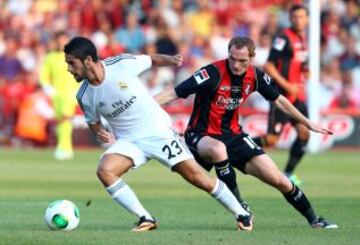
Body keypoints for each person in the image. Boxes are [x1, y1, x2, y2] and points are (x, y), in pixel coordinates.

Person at [63, 36, 252, 232]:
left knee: (198, 178)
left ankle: (242, 214)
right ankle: (145, 218)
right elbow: (92, 121)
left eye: (71, 63)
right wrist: (99, 133)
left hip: (156, 130)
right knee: (105, 171)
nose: (69, 68)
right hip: (129, 140)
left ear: (87, 60)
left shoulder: (121, 65)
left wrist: (171, 60)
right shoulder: (84, 95)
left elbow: (151, 60)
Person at [155, 36, 338, 229]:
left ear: (252, 57)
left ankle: (314, 220)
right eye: (232, 58)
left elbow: (279, 100)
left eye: (242, 60)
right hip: (200, 134)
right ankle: (241, 209)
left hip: (234, 135)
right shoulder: (212, 73)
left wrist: (307, 122)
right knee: (218, 150)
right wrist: (141, 106)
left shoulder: (256, 76)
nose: (235, 64)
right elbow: (172, 93)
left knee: (280, 180)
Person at [252, 4, 310, 185]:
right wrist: (287, 85)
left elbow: (298, 62)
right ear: (290, 19)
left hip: (298, 96)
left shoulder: (303, 38)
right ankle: (232, 146)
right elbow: (269, 65)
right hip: (282, 97)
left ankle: (288, 173)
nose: (298, 20)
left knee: (304, 133)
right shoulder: (283, 38)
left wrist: (305, 71)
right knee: (271, 140)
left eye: (301, 17)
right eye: (295, 17)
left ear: (307, 19)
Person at [40, 31, 79, 160]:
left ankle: (64, 148)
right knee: (60, 121)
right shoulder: (51, 57)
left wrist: (79, 89)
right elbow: (44, 73)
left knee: (65, 118)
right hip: (57, 93)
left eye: (65, 40)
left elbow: (81, 72)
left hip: (70, 92)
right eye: (60, 40)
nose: (62, 43)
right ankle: (64, 148)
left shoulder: (74, 56)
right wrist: (47, 87)